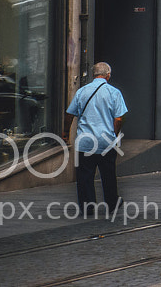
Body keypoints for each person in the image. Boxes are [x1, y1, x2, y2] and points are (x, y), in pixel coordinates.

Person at [63, 63, 127, 220]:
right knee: (108, 173)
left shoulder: (81, 92)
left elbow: (70, 114)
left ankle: (88, 206)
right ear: (108, 75)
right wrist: (114, 133)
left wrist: (65, 133)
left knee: (85, 175)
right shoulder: (114, 92)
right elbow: (119, 117)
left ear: (93, 75)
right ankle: (112, 202)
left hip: (85, 142)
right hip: (106, 141)